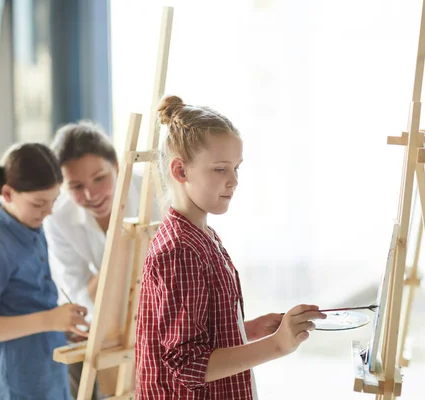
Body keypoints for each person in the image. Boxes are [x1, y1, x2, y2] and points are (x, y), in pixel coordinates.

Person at [135, 95, 327, 399]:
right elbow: (187, 365)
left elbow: (196, 335)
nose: (234, 181)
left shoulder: (203, 236)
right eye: (220, 169)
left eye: (236, 168)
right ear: (181, 171)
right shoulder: (180, 251)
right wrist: (277, 345)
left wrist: (245, 330)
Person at [0, 142, 89, 400]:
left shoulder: (31, 222)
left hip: (47, 373)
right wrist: (50, 320)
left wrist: (61, 325)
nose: (49, 211)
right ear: (7, 194)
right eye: (39, 203)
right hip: (12, 384)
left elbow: (27, 302)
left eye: (54, 200)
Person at [44, 121, 158, 398]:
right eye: (76, 186)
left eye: (99, 178)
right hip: (102, 319)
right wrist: (116, 252)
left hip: (157, 307)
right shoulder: (58, 218)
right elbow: (80, 292)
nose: (91, 194)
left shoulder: (154, 193)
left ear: (117, 167)